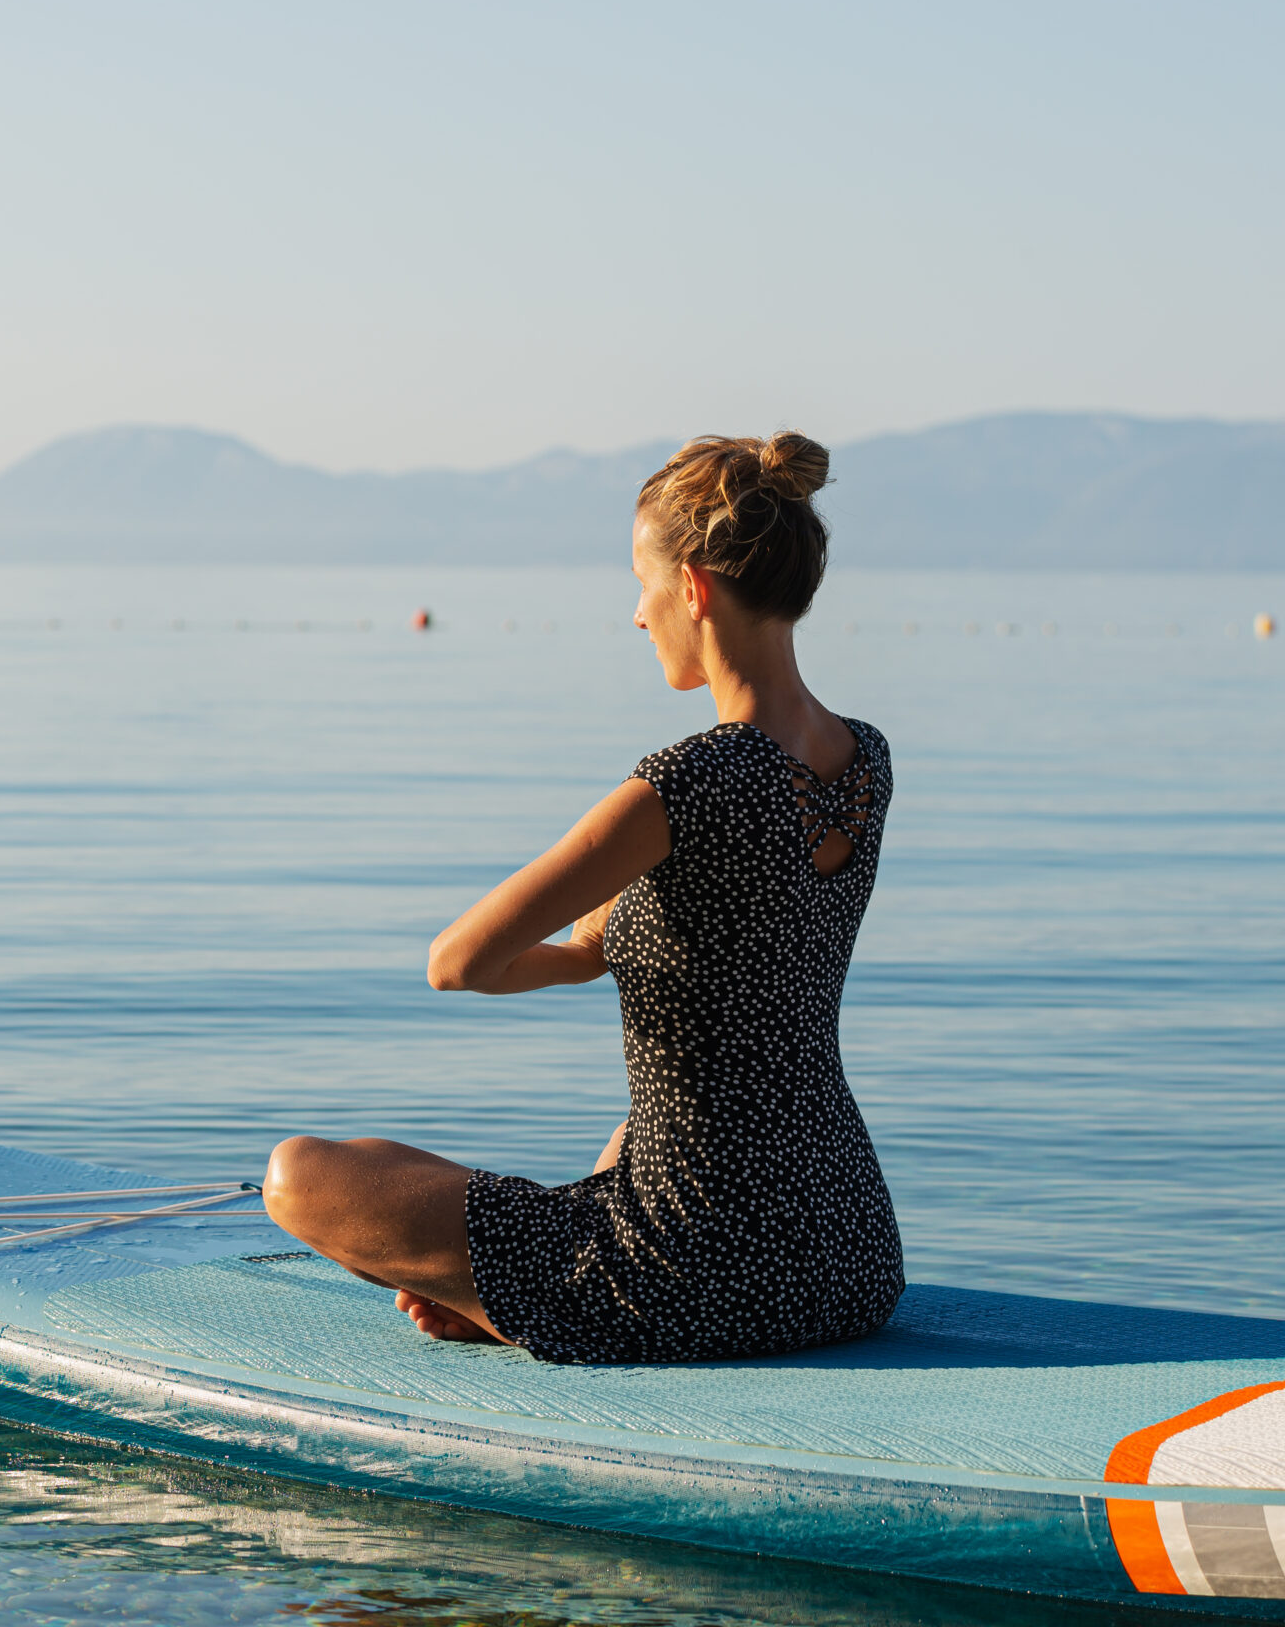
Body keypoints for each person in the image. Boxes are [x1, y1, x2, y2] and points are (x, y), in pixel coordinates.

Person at [261, 431, 904, 1363]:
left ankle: (500, 1301)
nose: (639, 616)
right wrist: (619, 928)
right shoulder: (867, 759)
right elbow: (744, 952)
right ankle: (503, 1290)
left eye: (641, 585)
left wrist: (589, 939)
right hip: (847, 1250)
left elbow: (456, 963)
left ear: (692, 586)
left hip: (703, 1269)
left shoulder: (689, 782)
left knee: (297, 1176)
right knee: (636, 1133)